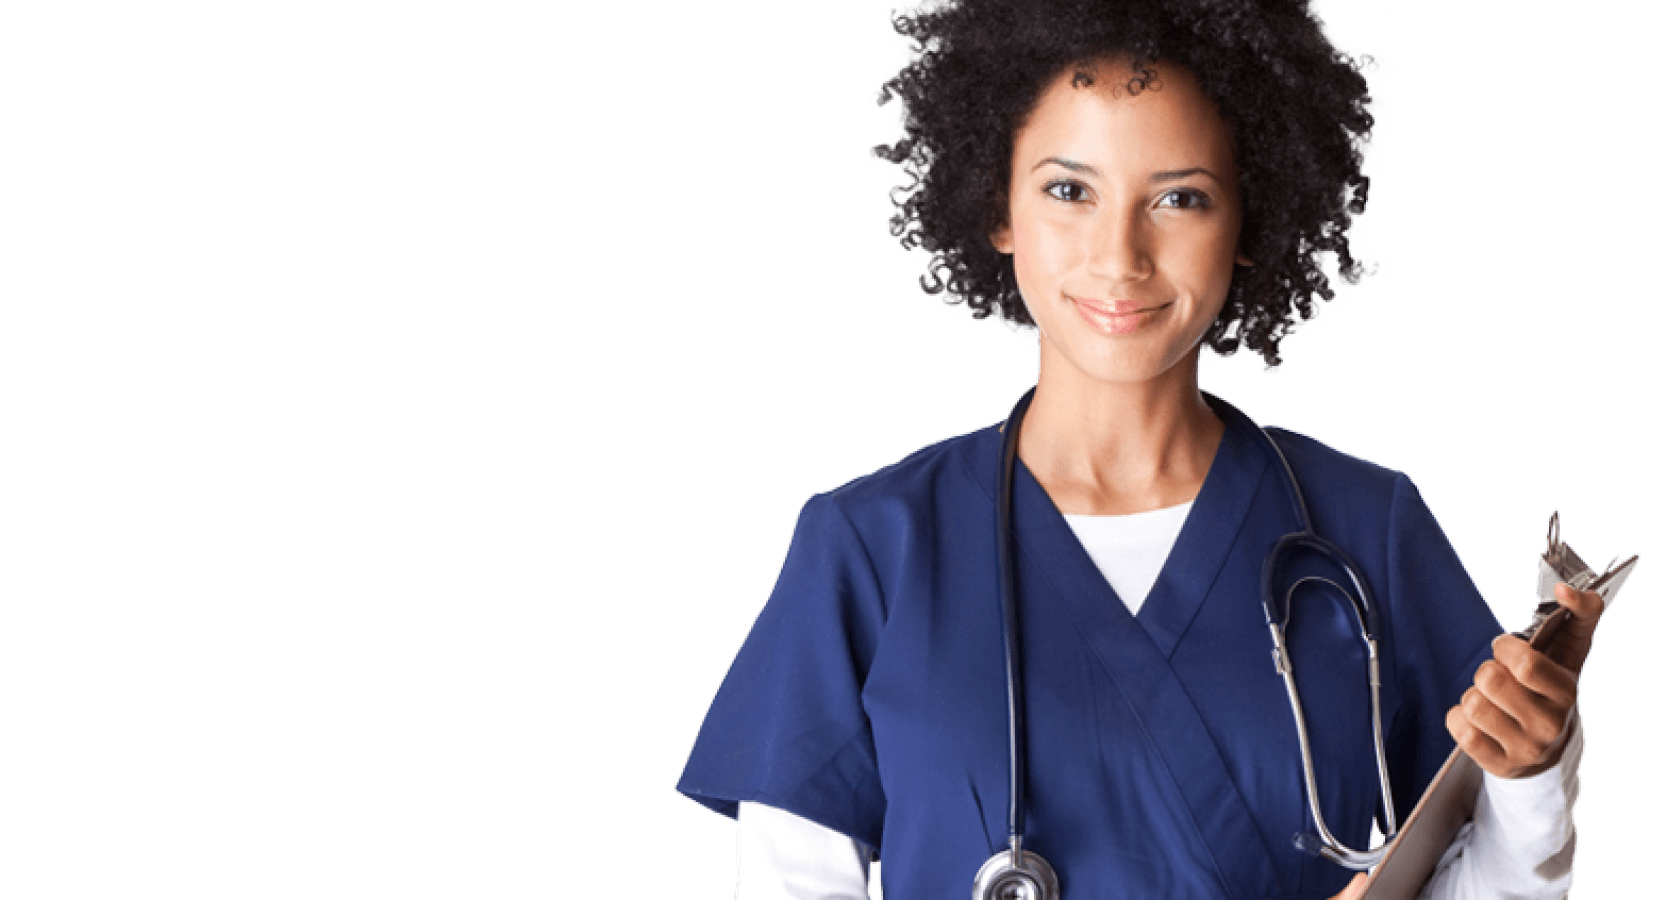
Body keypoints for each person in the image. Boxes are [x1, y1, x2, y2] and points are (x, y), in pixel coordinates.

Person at [673, 1, 1605, 899]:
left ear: (1251, 219)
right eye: (1069, 190)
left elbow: (1481, 884)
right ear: (998, 207)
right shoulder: (870, 549)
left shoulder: (1370, 529)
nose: (1119, 256)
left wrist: (1531, 781)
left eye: (1181, 198)